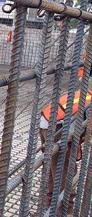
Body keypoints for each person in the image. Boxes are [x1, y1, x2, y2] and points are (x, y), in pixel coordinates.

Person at [39, 84, 89, 215]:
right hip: (57, 127)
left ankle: (49, 208)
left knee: (53, 171)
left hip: (47, 122)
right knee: (65, 173)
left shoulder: (87, 94)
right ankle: (66, 212)